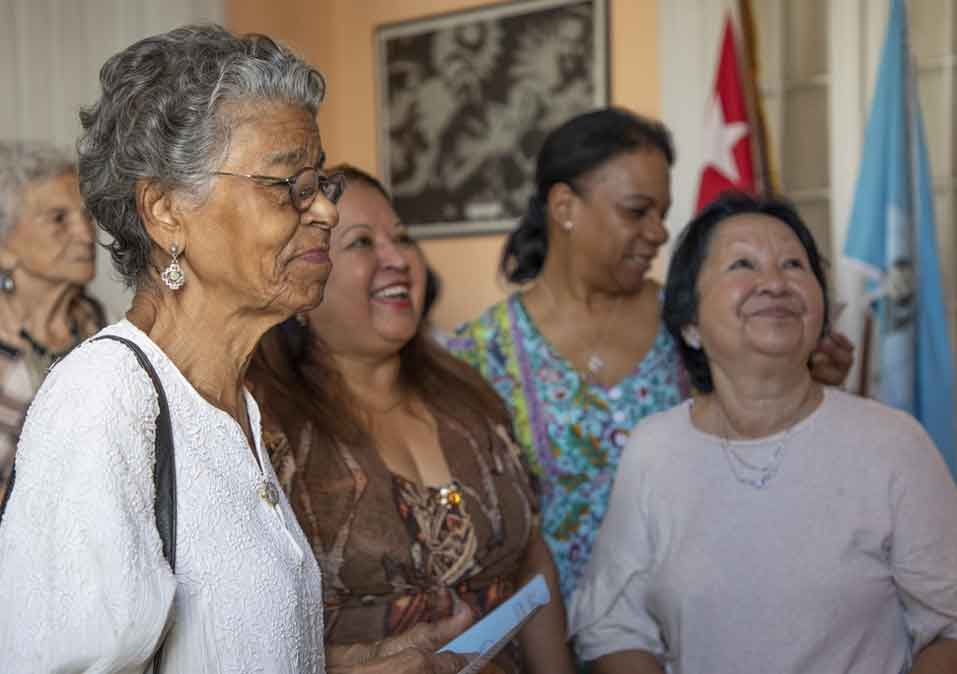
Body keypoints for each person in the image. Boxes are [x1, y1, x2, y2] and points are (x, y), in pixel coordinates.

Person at [0, 26, 469, 674]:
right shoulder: (104, 401)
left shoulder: (231, 402)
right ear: (165, 211)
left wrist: (362, 664)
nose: (326, 213)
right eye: (287, 184)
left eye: (320, 183)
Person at [569, 192, 957, 673]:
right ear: (690, 323)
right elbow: (613, 629)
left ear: (820, 309)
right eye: (743, 264)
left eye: (794, 265)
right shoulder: (653, 451)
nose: (775, 283)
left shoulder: (888, 443)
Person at [449, 107, 855, 600]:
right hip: (551, 636)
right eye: (637, 211)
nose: (660, 232)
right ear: (564, 207)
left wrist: (808, 376)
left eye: (662, 214)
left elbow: (767, 441)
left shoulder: (697, 321)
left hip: (702, 613)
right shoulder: (479, 352)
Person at [249, 165, 575, 674]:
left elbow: (532, 561)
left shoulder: (470, 397)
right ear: (302, 275)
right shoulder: (264, 426)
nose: (397, 258)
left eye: (401, 238)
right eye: (360, 243)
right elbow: (239, 638)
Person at [0, 141, 105, 503]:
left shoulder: (94, 325)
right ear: (5, 247)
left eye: (86, 216)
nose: (86, 234)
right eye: (59, 219)